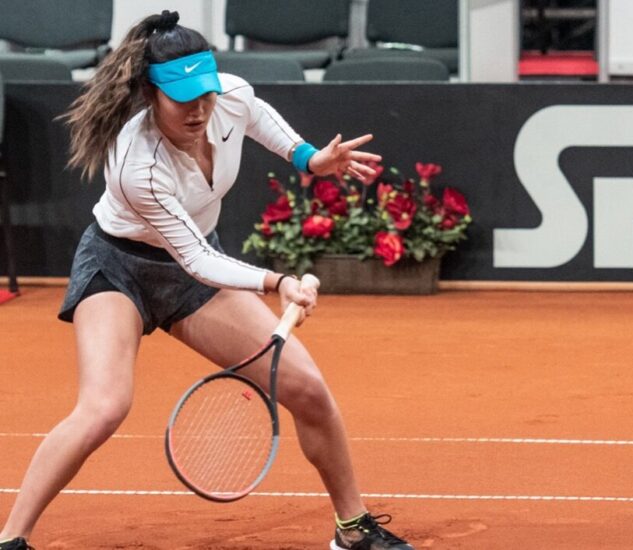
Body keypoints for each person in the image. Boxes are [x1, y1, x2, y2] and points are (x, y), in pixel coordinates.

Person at [0, 10, 414, 550]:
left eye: (207, 95)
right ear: (151, 94)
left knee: (308, 390)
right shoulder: (137, 163)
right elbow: (195, 258)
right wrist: (277, 281)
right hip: (118, 266)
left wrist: (311, 159)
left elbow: (257, 116)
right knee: (104, 407)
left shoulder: (229, 98)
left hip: (193, 270)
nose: (199, 110)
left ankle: (352, 529)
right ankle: (12, 538)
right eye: (182, 99)